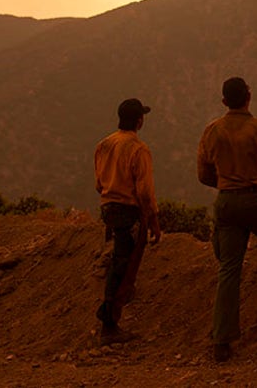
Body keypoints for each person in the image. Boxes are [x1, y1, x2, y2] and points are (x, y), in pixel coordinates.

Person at [197, 76, 257, 363]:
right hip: (256, 198)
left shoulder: (211, 131)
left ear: (224, 101)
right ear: (248, 97)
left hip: (227, 201)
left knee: (229, 268)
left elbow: (203, 175)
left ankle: (222, 341)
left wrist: (227, 185)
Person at [93, 97, 162, 341]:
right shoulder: (138, 149)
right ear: (139, 121)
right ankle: (110, 324)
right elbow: (144, 192)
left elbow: (98, 183)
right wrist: (153, 220)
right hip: (128, 212)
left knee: (118, 263)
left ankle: (111, 317)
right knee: (124, 268)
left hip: (108, 209)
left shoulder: (104, 144)